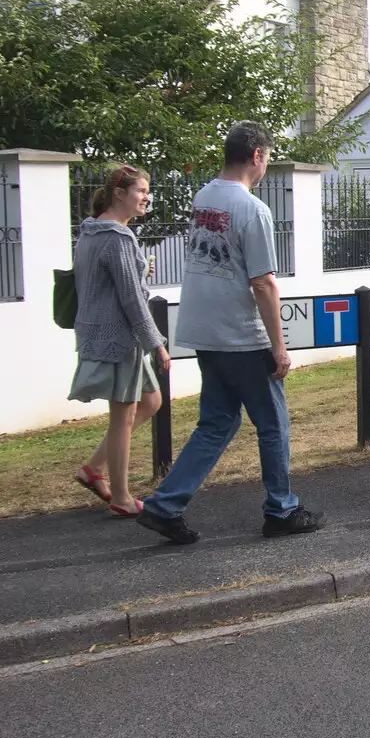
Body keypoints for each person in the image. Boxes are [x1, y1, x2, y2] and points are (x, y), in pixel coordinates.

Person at [138, 121, 323, 545]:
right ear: (257, 155)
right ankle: (281, 508)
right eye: (268, 158)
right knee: (272, 423)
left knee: (216, 422)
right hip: (241, 333)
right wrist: (279, 346)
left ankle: (165, 505)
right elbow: (262, 283)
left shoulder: (203, 197)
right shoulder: (252, 208)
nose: (266, 167)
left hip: (203, 329)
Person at [69, 165, 171, 517]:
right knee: (122, 417)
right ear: (119, 193)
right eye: (141, 191)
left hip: (97, 332)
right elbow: (131, 299)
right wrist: (157, 343)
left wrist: (139, 270)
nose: (146, 197)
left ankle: (93, 470)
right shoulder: (116, 237)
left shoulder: (90, 232)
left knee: (151, 400)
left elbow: (104, 283)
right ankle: (122, 498)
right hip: (120, 338)